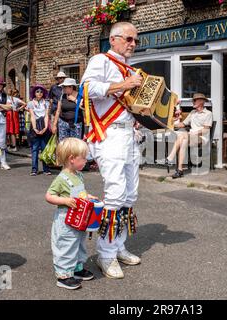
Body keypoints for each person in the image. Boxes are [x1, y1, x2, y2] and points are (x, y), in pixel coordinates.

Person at [80, 21, 143, 279]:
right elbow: (87, 88)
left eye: (136, 40)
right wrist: (124, 85)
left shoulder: (129, 68)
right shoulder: (101, 60)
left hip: (128, 133)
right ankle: (105, 255)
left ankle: (118, 247)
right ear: (114, 39)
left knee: (130, 195)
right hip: (110, 134)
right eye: (129, 39)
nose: (133, 44)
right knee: (115, 194)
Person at [45, 137, 95, 290]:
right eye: (84, 158)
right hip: (66, 220)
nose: (86, 160)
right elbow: (49, 196)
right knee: (66, 245)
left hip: (79, 219)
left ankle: (77, 269)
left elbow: (80, 192)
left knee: (79, 244)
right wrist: (65, 201)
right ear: (72, 159)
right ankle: (63, 275)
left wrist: (88, 196)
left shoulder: (78, 175)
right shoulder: (61, 178)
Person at [164, 93, 213, 179]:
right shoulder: (193, 112)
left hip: (201, 138)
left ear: (202, 101)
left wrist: (194, 133)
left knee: (183, 135)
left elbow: (206, 130)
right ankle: (180, 170)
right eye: (193, 100)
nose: (193, 102)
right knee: (183, 140)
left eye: (195, 100)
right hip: (189, 137)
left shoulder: (208, 113)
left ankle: (170, 158)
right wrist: (170, 124)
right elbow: (183, 124)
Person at [27, 84, 51, 176]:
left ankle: (46, 169)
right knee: (35, 149)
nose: (39, 93)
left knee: (44, 148)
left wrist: (45, 127)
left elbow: (46, 116)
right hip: (35, 125)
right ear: (34, 93)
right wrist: (34, 128)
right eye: (37, 91)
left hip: (44, 124)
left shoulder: (46, 103)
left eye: (41, 91)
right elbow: (32, 116)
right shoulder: (30, 103)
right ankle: (34, 169)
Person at [51, 78, 83, 142]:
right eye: (63, 87)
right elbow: (58, 111)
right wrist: (54, 125)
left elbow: (84, 108)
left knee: (75, 145)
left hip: (76, 125)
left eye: (65, 87)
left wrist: (74, 100)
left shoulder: (80, 96)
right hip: (63, 123)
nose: (63, 89)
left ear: (71, 87)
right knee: (63, 144)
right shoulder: (62, 96)